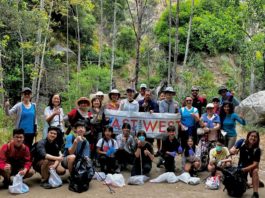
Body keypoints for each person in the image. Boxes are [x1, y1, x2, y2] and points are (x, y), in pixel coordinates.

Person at [230, 131, 263, 198]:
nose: (253, 138)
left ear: (258, 139)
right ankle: (256, 182)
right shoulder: (242, 142)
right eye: (252, 136)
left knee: (255, 171)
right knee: (240, 183)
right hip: (242, 165)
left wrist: (245, 169)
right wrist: (233, 151)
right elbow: (232, 149)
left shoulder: (257, 150)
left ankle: (255, 193)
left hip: (251, 167)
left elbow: (255, 164)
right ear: (248, 136)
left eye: (255, 137)